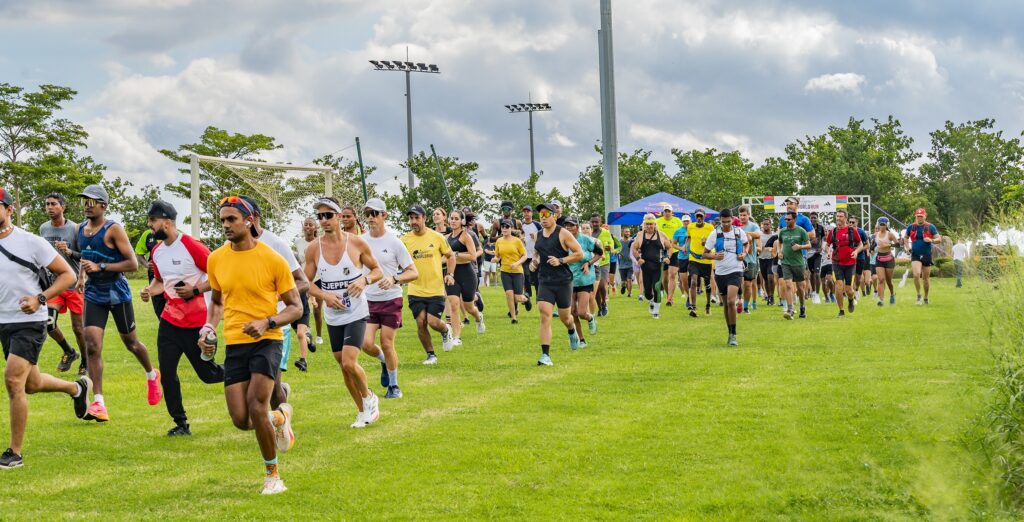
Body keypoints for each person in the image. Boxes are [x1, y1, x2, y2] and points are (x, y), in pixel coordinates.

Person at [199, 195, 301, 495]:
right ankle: (281, 416)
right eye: (222, 220)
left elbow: (295, 307)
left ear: (249, 220)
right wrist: (208, 328)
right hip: (235, 342)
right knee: (241, 420)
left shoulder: (273, 259)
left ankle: (273, 477)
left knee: (257, 407)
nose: (226, 225)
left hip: (267, 341)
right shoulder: (216, 259)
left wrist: (268, 322)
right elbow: (217, 302)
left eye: (231, 219)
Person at [0, 186, 91, 469]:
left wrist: (40, 299)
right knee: (32, 383)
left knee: (13, 380)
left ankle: (14, 453)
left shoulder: (30, 241)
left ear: (9, 210)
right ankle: (76, 388)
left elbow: (67, 274)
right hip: (4, 321)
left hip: (29, 321)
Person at [75, 184, 161, 422]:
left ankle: (152, 374)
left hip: (116, 292)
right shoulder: (80, 229)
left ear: (103, 205)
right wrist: (82, 276)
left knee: (131, 343)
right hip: (94, 293)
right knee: (92, 345)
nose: (87, 205)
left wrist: (101, 267)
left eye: (92, 201)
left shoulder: (113, 229)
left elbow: (132, 264)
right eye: (84, 201)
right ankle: (98, 402)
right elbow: (84, 256)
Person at [140, 200, 225, 436]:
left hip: (196, 323)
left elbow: (219, 276)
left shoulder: (191, 245)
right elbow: (160, 281)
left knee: (209, 375)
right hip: (169, 321)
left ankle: (245, 371)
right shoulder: (156, 251)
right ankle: (181, 423)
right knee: (167, 374)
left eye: (153, 220)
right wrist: (149, 290)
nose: (149, 225)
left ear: (167, 222)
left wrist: (195, 290)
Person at [304, 198, 384, 428]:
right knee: (344, 367)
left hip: (356, 312)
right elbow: (304, 282)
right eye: (320, 216)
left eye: (328, 215)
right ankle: (362, 412)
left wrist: (364, 280)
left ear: (339, 217)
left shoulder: (357, 243)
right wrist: (324, 296)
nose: (324, 220)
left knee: (349, 362)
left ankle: (370, 398)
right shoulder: (314, 248)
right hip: (333, 315)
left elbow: (377, 270)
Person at [239, 196, 310, 409]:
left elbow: (303, 282)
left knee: (270, 384)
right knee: (249, 385)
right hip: (243, 324)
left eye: (240, 216)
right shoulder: (230, 246)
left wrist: (276, 296)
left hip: (276, 324)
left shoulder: (276, 244)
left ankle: (282, 419)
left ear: (254, 217)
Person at [360, 199, 417, 399]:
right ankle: (384, 361)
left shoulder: (394, 242)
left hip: (391, 299)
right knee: (366, 343)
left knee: (386, 342)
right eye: (368, 213)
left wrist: (394, 279)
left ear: (385, 215)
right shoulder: (361, 241)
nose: (371, 217)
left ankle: (394, 386)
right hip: (368, 299)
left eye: (375, 213)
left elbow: (413, 272)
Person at [529, 202, 584, 366]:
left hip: (562, 281)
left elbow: (579, 254)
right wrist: (534, 261)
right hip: (545, 280)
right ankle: (545, 355)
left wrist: (561, 260)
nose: (543, 218)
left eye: (546, 214)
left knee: (565, 317)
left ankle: (571, 330)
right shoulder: (538, 235)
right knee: (545, 315)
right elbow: (537, 252)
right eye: (541, 215)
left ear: (554, 216)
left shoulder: (563, 233)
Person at [401, 206, 457, 365]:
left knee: (433, 322)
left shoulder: (437, 237)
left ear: (424, 218)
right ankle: (431, 354)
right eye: (411, 218)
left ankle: (445, 330)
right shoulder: (404, 240)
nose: (413, 221)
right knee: (421, 322)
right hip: (415, 289)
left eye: (416, 218)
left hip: (436, 288)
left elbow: (450, 256)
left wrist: (450, 274)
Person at [39, 192, 85, 374]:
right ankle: (69, 351)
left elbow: (85, 256)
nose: (50, 207)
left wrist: (69, 252)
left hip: (74, 285)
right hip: (55, 285)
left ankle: (85, 362)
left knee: (78, 329)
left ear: (63, 207)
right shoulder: (43, 229)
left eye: (54, 204)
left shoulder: (75, 229)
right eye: (47, 204)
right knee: (49, 322)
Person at [703, 208, 748, 345]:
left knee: (731, 301)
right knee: (726, 305)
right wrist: (714, 256)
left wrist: (744, 254)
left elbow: (746, 244)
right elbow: (705, 253)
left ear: (733, 219)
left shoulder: (739, 232)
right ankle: (729, 331)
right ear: (720, 221)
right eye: (723, 222)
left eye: (728, 221)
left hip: (736, 270)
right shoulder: (714, 234)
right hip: (720, 272)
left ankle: (734, 335)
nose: (726, 224)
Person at [445, 210, 485, 345]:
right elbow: (443, 256)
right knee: (454, 305)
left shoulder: (466, 236)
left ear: (462, 221)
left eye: (456, 218)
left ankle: (478, 317)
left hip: (467, 274)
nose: (453, 221)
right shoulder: (446, 238)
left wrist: (456, 254)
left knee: (469, 307)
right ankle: (456, 337)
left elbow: (473, 256)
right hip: (451, 274)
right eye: (451, 218)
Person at [567, 219, 603, 346]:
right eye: (567, 226)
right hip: (569, 279)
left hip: (584, 279)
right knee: (572, 312)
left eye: (571, 225)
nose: (569, 228)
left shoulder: (585, 239)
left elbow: (600, 253)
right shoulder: (563, 240)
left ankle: (590, 317)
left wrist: (588, 263)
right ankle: (581, 340)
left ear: (577, 227)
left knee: (581, 313)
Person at [825, 210, 865, 317]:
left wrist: (856, 252)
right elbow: (827, 245)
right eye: (837, 216)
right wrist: (828, 252)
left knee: (849, 290)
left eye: (841, 216)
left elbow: (860, 244)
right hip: (836, 262)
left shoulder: (852, 231)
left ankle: (851, 300)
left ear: (846, 218)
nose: (838, 218)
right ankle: (841, 311)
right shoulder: (833, 231)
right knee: (838, 286)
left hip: (850, 263)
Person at [292, 217, 319, 371]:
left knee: (300, 334)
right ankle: (309, 339)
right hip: (291, 312)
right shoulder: (286, 280)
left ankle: (303, 361)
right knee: (301, 334)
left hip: (303, 311)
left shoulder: (301, 281)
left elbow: (307, 285)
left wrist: (313, 299)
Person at [632, 214, 672, 319]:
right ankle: (651, 301)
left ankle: (656, 312)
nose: (649, 226)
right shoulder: (640, 235)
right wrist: (638, 259)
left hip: (658, 265)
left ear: (655, 224)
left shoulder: (661, 235)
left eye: (651, 224)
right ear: (644, 225)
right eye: (647, 224)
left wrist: (667, 257)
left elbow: (669, 247)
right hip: (645, 266)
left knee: (657, 287)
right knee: (647, 293)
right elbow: (634, 249)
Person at [495, 219, 530, 323]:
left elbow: (525, 255)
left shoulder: (517, 241)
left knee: (517, 297)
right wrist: (495, 259)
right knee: (509, 294)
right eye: (503, 227)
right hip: (505, 271)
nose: (504, 229)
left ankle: (526, 298)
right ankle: (514, 318)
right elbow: (497, 256)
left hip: (517, 272)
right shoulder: (499, 241)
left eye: (507, 227)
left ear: (511, 228)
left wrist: (517, 263)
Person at [777, 211, 811, 320]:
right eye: (785, 219)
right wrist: (779, 252)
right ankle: (790, 309)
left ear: (794, 220)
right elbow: (779, 242)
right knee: (788, 285)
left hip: (798, 263)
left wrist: (800, 247)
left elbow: (809, 245)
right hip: (785, 262)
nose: (786, 221)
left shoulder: (801, 231)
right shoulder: (783, 231)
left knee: (800, 287)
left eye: (788, 219)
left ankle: (802, 307)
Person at [905, 208, 941, 305]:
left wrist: (931, 240)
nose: (919, 218)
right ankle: (918, 295)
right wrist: (907, 247)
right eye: (918, 216)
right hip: (915, 254)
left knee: (926, 279)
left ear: (925, 216)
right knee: (916, 275)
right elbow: (905, 238)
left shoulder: (930, 226)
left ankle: (926, 297)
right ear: (916, 216)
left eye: (921, 216)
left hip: (926, 255)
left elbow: (939, 239)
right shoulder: (911, 227)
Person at [685, 209, 715, 317]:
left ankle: (708, 305)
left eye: (701, 216)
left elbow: (714, 241)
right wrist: (685, 246)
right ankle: (693, 307)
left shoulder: (710, 227)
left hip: (706, 259)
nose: (699, 218)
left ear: (704, 217)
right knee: (693, 281)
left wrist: (706, 243)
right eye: (697, 216)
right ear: (695, 216)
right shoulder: (690, 226)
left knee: (707, 284)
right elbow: (689, 238)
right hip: (693, 258)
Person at [655, 205, 684, 307]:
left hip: (675, 251)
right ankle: (668, 295)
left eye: (669, 211)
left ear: (672, 212)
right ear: (663, 212)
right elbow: (654, 233)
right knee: (665, 277)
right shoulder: (658, 221)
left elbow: (682, 233)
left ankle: (670, 298)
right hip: (662, 251)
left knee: (672, 274)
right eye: (665, 211)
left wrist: (677, 242)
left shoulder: (677, 221)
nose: (667, 213)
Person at [590, 214, 617, 317]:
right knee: (595, 288)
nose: (594, 224)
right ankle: (600, 308)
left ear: (600, 222)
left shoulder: (606, 232)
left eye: (596, 222)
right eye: (593, 222)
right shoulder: (588, 232)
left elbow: (612, 245)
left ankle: (604, 303)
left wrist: (608, 247)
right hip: (592, 262)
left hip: (604, 261)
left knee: (602, 284)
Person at [135, 228, 164, 318]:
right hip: (154, 279)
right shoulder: (148, 234)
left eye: (153, 221)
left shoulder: (179, 235)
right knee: (160, 311)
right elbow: (138, 253)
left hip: (172, 281)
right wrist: (146, 264)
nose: (149, 224)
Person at [737, 206, 761, 313]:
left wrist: (745, 233)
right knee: (736, 283)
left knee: (748, 285)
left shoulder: (753, 226)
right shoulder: (736, 226)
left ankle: (746, 307)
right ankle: (738, 301)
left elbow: (758, 234)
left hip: (750, 259)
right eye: (740, 215)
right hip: (737, 259)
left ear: (748, 215)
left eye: (744, 215)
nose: (742, 217)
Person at [873, 217, 899, 306]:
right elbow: (873, 246)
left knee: (889, 281)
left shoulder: (890, 234)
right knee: (881, 280)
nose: (882, 226)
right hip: (879, 259)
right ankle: (881, 300)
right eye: (880, 224)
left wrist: (889, 245)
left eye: (883, 225)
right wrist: (873, 249)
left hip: (889, 259)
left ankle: (892, 294)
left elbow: (898, 244)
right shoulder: (876, 234)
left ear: (887, 225)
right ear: (878, 225)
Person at [849, 216, 872, 298]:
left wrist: (858, 249)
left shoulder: (861, 232)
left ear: (857, 223)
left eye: (853, 222)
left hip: (860, 257)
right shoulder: (847, 231)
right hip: (850, 257)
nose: (851, 224)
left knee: (858, 278)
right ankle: (853, 292)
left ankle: (856, 289)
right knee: (852, 276)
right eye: (850, 222)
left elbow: (868, 245)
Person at [671, 214, 691, 307]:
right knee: (684, 280)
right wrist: (681, 248)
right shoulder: (678, 231)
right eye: (684, 221)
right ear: (682, 222)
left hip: (693, 257)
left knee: (693, 278)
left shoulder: (694, 229)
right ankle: (689, 296)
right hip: (682, 257)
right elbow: (673, 244)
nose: (686, 223)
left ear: (690, 221)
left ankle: (691, 299)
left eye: (688, 221)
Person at [520, 205, 540, 301]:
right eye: (524, 212)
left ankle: (538, 296)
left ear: (532, 213)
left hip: (535, 255)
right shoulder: (521, 225)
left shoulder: (537, 225)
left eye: (528, 211)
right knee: (526, 275)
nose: (526, 213)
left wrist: (536, 236)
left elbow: (544, 235)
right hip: (524, 255)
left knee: (536, 277)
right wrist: (521, 239)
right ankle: (528, 295)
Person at [807, 212, 827, 304]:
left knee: (817, 273)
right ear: (809, 218)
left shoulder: (821, 228)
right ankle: (813, 292)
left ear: (817, 218)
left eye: (814, 218)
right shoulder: (806, 227)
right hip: (808, 253)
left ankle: (817, 295)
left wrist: (821, 247)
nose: (813, 219)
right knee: (811, 274)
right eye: (811, 218)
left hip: (818, 254)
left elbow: (824, 239)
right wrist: (810, 242)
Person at [757, 218, 777, 307]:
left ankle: (772, 296)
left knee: (770, 277)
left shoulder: (774, 235)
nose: (765, 226)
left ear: (770, 225)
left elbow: (777, 246)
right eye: (764, 224)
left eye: (767, 224)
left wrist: (773, 250)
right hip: (762, 258)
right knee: (765, 279)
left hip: (771, 258)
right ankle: (768, 296)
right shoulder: (759, 235)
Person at [618, 227, 635, 298]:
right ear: (623, 233)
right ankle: (623, 286)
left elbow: (635, 250)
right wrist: (618, 254)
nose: (628, 233)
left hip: (630, 264)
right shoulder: (619, 242)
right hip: (622, 265)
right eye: (626, 232)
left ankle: (629, 293)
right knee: (623, 282)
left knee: (629, 279)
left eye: (628, 232)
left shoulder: (632, 242)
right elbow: (616, 250)